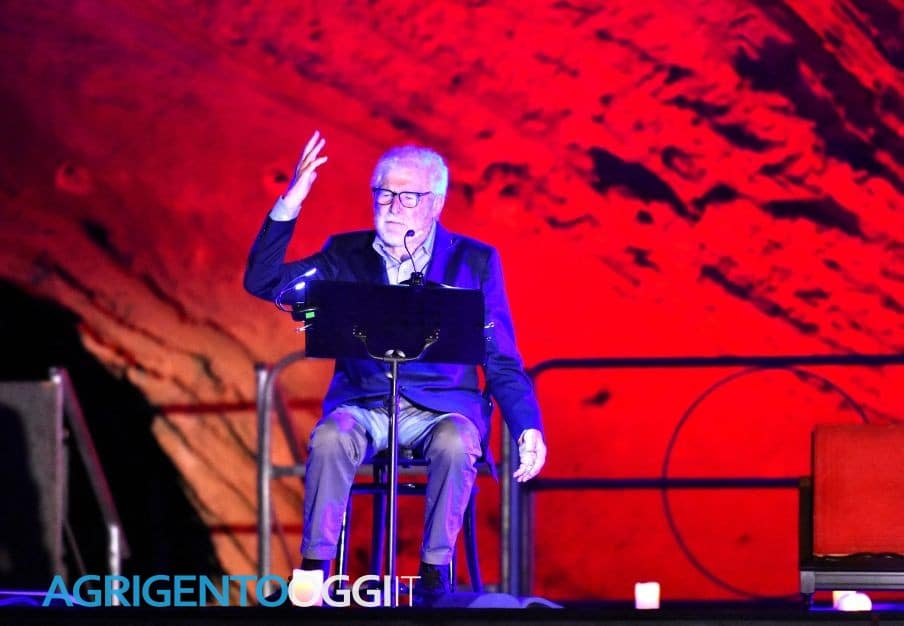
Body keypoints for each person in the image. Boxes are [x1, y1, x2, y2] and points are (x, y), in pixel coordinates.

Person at [244, 130, 547, 603]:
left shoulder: (474, 262)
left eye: (408, 197)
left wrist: (526, 425)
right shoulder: (344, 255)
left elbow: (501, 357)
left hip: (442, 410)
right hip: (363, 404)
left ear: (436, 203)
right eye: (383, 194)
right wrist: (292, 201)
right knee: (331, 436)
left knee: (456, 441)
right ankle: (314, 569)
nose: (392, 207)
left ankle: (434, 572)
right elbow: (263, 282)